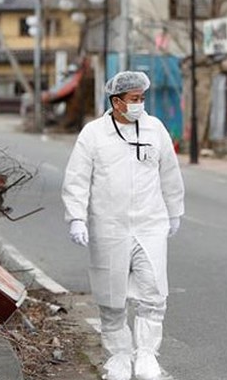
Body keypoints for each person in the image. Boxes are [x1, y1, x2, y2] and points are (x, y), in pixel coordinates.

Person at [62, 70, 185, 380]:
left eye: (142, 98)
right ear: (116, 102)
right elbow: (77, 178)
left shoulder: (154, 129)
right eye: (134, 99)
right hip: (109, 226)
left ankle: (146, 356)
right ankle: (118, 356)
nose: (140, 104)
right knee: (110, 295)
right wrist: (76, 217)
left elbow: (170, 173)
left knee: (153, 292)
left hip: (150, 224)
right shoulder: (93, 134)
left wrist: (174, 212)